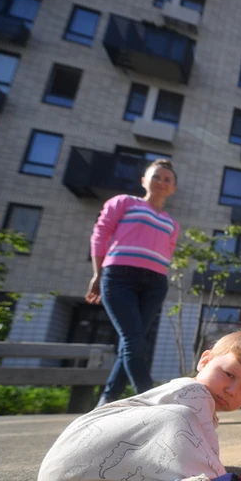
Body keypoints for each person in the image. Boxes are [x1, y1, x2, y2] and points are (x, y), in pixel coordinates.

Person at [37, 328, 241, 481]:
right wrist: (220, 477)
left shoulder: (202, 410)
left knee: (172, 461)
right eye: (229, 374)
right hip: (72, 466)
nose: (232, 390)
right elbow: (199, 445)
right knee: (178, 418)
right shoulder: (192, 391)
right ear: (204, 361)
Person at [86, 159, 180, 408]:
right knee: (134, 340)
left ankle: (107, 401)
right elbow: (101, 234)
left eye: (167, 179)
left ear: (173, 188)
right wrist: (98, 273)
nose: (161, 182)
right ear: (144, 181)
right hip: (119, 277)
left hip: (155, 283)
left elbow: (167, 253)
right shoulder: (123, 202)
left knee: (133, 341)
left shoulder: (172, 223)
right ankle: (150, 399)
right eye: (156, 176)